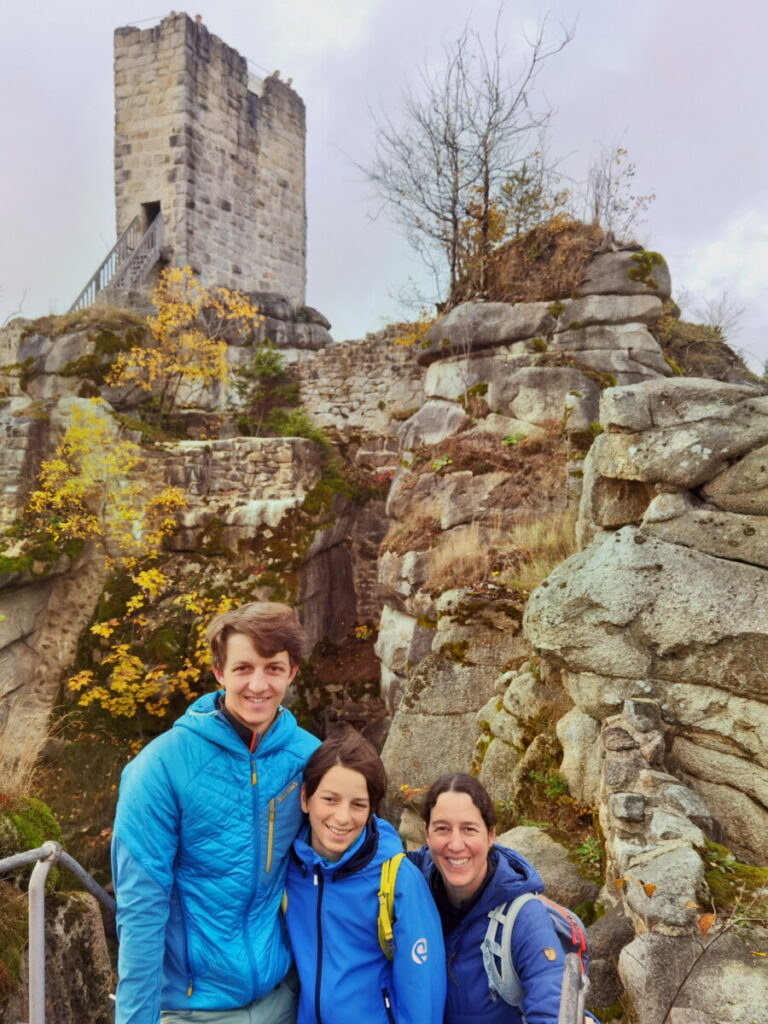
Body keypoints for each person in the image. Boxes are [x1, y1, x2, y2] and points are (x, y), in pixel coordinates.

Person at [111, 601, 320, 1024]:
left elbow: (357, 839)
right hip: (192, 1009)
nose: (258, 685)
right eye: (243, 668)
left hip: (283, 999)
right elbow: (140, 911)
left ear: (292, 672)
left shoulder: (308, 757)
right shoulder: (159, 768)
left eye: (273, 668)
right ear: (220, 673)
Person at [284, 729, 446, 1024]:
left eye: (357, 804)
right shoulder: (291, 870)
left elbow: (423, 992)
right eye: (330, 799)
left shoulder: (398, 880)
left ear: (372, 810)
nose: (343, 817)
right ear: (306, 798)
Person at [409, 773, 598, 1024]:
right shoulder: (410, 885)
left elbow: (551, 1008)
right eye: (442, 828)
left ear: (490, 835)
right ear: (427, 833)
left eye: (469, 829)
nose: (455, 844)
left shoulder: (523, 919)